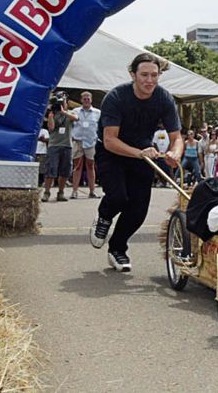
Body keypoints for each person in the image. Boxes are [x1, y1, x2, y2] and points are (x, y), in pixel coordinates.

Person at [89, 53, 182, 272]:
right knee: (119, 196)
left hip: (144, 154)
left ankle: (118, 249)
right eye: (144, 75)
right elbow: (110, 140)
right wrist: (140, 153)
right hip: (112, 152)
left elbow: (176, 137)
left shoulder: (164, 98)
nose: (149, 80)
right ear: (133, 74)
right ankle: (104, 217)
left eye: (154, 75)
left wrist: (175, 153)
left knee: (139, 209)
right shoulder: (116, 97)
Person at [43, 91, 77, 202]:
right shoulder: (52, 113)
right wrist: (51, 115)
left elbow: (76, 118)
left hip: (67, 145)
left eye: (64, 102)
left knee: (65, 171)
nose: (62, 104)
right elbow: (51, 128)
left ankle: (61, 193)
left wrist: (64, 112)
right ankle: (47, 192)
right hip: (54, 145)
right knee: (51, 170)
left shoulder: (70, 113)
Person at [70, 91, 101, 199]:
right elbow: (70, 124)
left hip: (91, 142)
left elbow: (100, 127)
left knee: (90, 166)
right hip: (78, 141)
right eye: (84, 98)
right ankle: (74, 191)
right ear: (81, 100)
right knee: (77, 166)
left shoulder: (97, 112)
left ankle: (92, 191)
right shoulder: (75, 111)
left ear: (91, 100)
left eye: (88, 98)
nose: (86, 100)